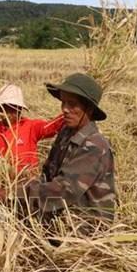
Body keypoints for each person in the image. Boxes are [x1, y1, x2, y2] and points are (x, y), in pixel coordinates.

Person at [26, 73, 116, 227]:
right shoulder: (66, 133)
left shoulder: (94, 146)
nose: (65, 110)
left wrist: (15, 194)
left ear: (88, 109)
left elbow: (62, 192)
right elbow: (48, 175)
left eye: (72, 104)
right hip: (60, 216)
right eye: (63, 103)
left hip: (85, 228)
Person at [0, 83, 64, 200]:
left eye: (13, 107)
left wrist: (69, 112)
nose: (8, 112)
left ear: (20, 109)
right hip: (2, 187)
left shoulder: (31, 126)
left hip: (28, 187)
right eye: (5, 107)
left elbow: (52, 126)